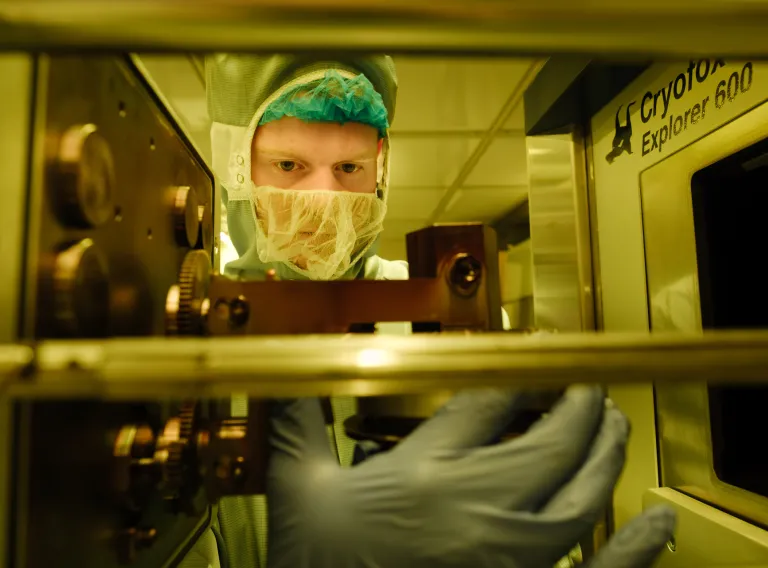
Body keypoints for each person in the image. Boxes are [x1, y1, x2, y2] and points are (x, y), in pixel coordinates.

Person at [177, 54, 676, 568]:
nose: (324, 198)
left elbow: (525, 521)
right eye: (289, 165)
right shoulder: (191, 334)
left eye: (349, 168)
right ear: (237, 169)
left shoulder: (447, 313)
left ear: (381, 173)